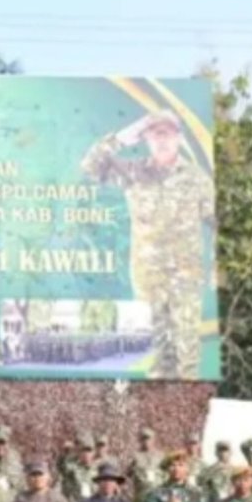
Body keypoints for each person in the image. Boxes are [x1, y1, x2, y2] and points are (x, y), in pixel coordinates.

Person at [81, 113, 212, 378]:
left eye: (168, 133)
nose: (163, 139)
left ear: (179, 138)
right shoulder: (133, 173)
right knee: (155, 356)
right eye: (155, 133)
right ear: (146, 139)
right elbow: (90, 167)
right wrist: (119, 139)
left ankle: (186, 412)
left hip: (185, 277)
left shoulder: (198, 178)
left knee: (187, 355)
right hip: (147, 277)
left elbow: (216, 220)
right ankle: (156, 414)